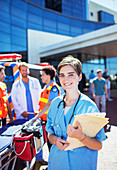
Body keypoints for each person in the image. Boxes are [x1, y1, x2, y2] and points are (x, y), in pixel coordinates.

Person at [46, 56, 106, 170]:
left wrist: (81, 137)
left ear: (79, 77)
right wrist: (55, 140)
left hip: (81, 165)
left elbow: (98, 145)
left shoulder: (89, 107)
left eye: (70, 74)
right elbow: (50, 134)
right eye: (62, 75)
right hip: (57, 164)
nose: (65, 79)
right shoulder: (55, 104)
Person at [34, 65, 60, 168]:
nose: (41, 77)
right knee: (49, 145)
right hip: (45, 120)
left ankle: (55, 166)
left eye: (43, 75)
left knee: (52, 146)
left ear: (48, 75)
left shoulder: (53, 87)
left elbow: (49, 104)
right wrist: (39, 113)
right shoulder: (46, 87)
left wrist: (38, 115)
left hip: (52, 122)